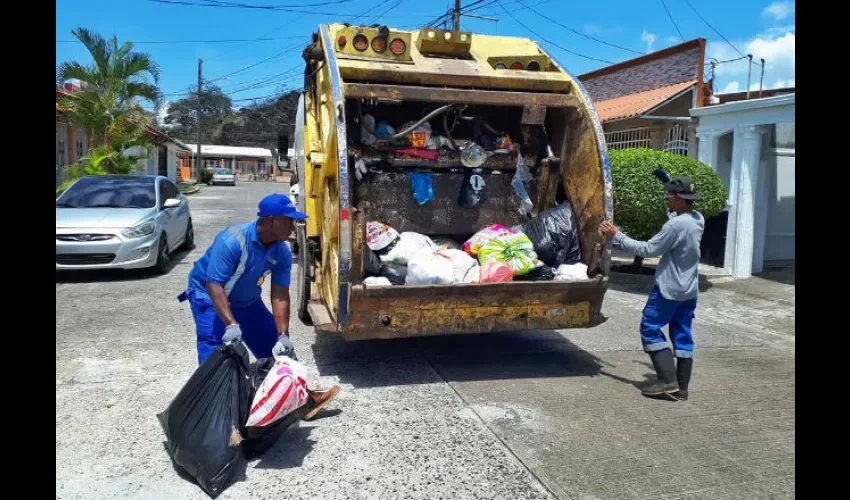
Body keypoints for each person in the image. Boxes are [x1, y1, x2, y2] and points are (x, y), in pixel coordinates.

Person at [178, 193, 340, 420]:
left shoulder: (281, 251)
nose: (293, 225)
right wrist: (231, 324)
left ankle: (304, 401)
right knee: (216, 354)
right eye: (289, 219)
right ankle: (214, 414)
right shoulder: (233, 241)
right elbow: (214, 285)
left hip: (247, 301)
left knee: (278, 348)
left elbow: (280, 294)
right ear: (271, 220)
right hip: (209, 297)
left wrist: (283, 334)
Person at [599, 177, 705, 401]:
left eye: (669, 196)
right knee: (682, 334)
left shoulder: (675, 226)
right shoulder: (697, 219)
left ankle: (667, 381)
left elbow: (648, 249)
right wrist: (668, 181)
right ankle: (682, 388)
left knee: (649, 327)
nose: (666, 200)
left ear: (678, 198)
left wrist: (616, 235)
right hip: (689, 290)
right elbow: (675, 225)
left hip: (669, 289)